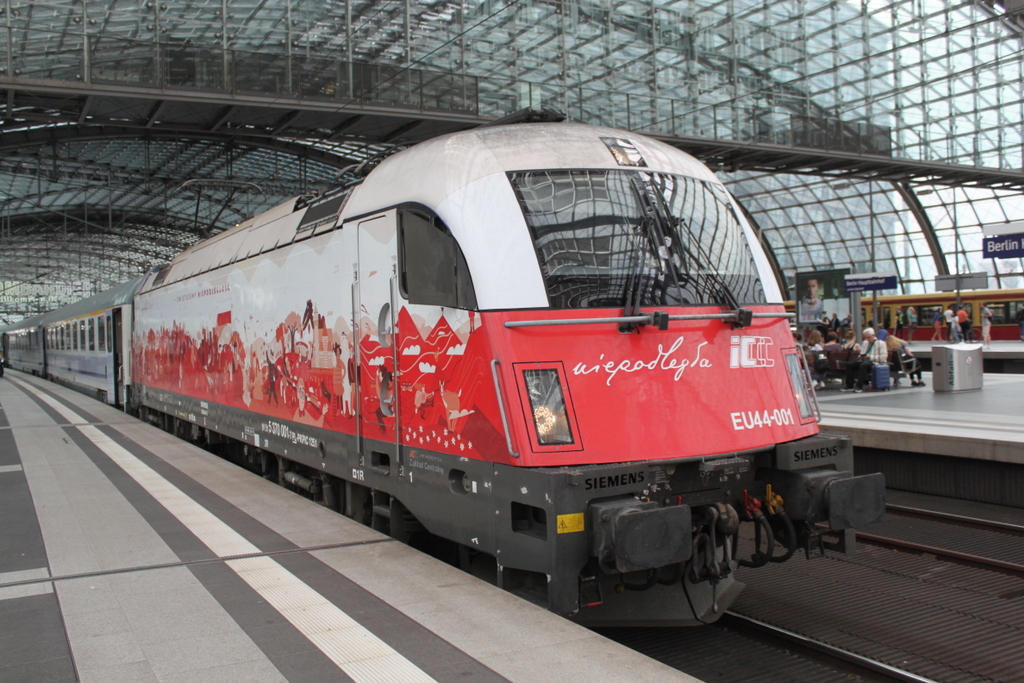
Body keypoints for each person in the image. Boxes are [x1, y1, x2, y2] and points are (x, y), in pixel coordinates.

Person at [842, 327, 888, 393]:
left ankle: (859, 386)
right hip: (864, 360)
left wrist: (870, 357)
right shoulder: (865, 343)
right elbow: (862, 352)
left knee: (863, 366)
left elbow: (883, 357)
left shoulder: (881, 343)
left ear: (873, 335)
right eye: (866, 337)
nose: (867, 339)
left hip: (875, 362)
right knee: (849, 364)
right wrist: (861, 356)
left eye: (869, 337)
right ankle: (849, 385)